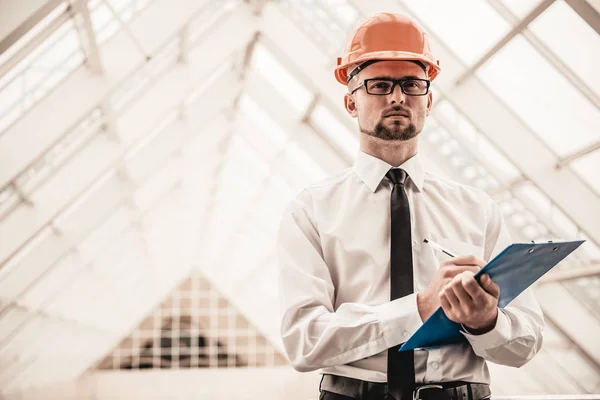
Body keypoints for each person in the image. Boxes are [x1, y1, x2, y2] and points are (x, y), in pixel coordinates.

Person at [277, 12, 544, 400]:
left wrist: (486, 322)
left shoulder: (477, 209)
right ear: (351, 101)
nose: (398, 97)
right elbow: (303, 341)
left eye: (412, 84)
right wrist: (419, 308)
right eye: (380, 84)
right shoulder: (311, 211)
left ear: (429, 100)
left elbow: (527, 340)